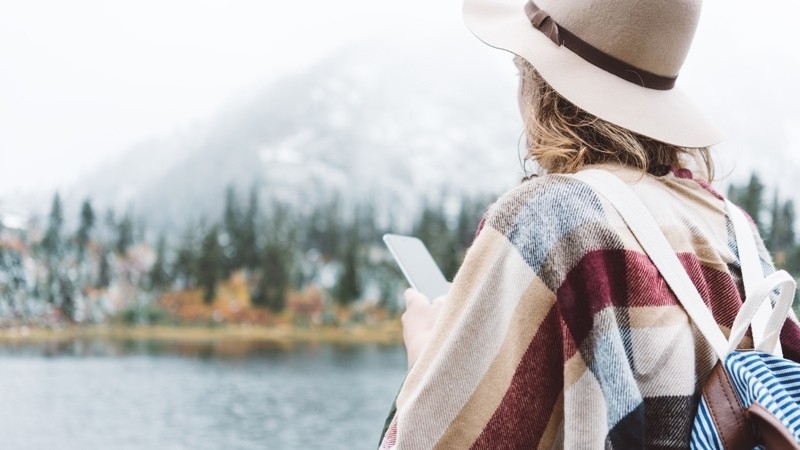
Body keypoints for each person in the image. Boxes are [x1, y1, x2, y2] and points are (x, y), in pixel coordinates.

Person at [378, 0, 800, 448]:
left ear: (539, 83)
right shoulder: (733, 226)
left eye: (522, 69)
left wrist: (430, 363)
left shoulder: (547, 220)